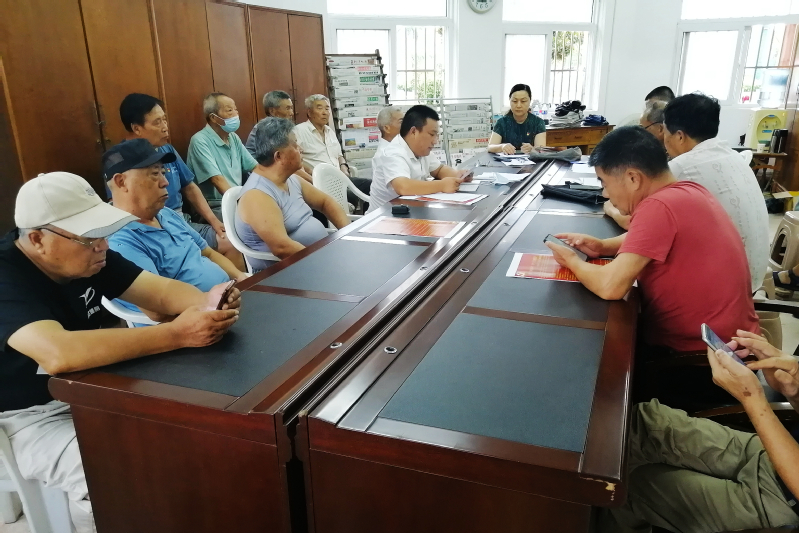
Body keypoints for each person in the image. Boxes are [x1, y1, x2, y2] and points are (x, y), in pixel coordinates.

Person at [0, 172, 240, 532]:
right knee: (115, 474)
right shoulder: (7, 278)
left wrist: (209, 305)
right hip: (25, 417)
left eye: (103, 234)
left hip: (89, 386)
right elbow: (57, 353)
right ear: (37, 239)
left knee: (194, 433)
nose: (103, 246)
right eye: (89, 238)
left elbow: (160, 293)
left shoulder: (87, 254)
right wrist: (177, 334)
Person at [546, 126, 758, 354]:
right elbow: (652, 236)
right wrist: (604, 246)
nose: (605, 194)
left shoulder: (658, 207)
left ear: (633, 178)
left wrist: (572, 261)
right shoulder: (689, 190)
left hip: (703, 356)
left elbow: (610, 286)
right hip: (736, 342)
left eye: (604, 183)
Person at [598, 330, 799, 532]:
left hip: (784, 498)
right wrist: (795, 393)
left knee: (626, 490)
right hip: (777, 450)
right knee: (643, 422)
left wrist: (752, 398)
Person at [106, 139, 248, 324]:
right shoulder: (120, 241)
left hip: (224, 305)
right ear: (121, 182)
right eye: (154, 174)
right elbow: (158, 310)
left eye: (163, 173)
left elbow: (208, 253)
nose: (165, 182)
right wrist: (213, 303)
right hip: (196, 324)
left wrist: (241, 278)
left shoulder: (166, 214)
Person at [117, 93, 241, 266]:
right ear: (137, 128)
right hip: (151, 230)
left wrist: (214, 221)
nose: (165, 127)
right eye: (157, 122)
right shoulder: (119, 160)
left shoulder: (166, 149)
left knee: (230, 241)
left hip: (182, 222)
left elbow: (189, 187)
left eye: (164, 120)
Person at [663, 93, 768, 292]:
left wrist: (611, 208)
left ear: (679, 136)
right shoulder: (733, 155)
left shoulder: (682, 167)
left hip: (728, 286)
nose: (664, 141)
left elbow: (638, 220)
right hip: (756, 274)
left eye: (665, 133)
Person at [236, 117, 350, 270]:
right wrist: (324, 261)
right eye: (295, 145)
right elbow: (282, 248)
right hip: (283, 273)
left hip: (312, 259)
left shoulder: (290, 179)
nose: (300, 149)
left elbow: (326, 203)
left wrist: (349, 236)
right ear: (279, 156)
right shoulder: (257, 196)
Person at [368, 105, 472, 213]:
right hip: (384, 215)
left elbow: (439, 169)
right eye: (431, 134)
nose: (435, 141)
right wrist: (442, 185)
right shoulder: (392, 152)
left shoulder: (421, 149)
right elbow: (403, 187)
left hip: (411, 209)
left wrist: (457, 175)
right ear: (414, 131)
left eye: (436, 135)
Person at [294, 94, 371, 203]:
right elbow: (295, 161)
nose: (325, 112)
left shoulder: (330, 131)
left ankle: (368, 214)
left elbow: (339, 156)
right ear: (309, 112)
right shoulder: (298, 131)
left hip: (340, 178)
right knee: (351, 196)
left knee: (370, 186)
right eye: (320, 108)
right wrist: (311, 173)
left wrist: (344, 167)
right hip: (320, 182)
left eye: (327, 108)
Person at [187, 92, 258, 208]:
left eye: (236, 109)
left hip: (237, 200)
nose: (236, 114)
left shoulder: (233, 137)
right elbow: (217, 180)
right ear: (213, 118)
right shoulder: (199, 141)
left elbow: (255, 167)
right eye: (230, 110)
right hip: (217, 205)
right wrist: (243, 205)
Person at [245, 90, 315, 185]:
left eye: (291, 108)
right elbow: (286, 164)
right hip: (263, 179)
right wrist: (314, 181)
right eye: (287, 108)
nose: (292, 113)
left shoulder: (281, 128)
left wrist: (312, 172)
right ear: (272, 111)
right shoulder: (268, 129)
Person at [488, 84, 546, 154]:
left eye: (523, 101)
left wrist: (532, 149)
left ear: (529, 101)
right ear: (510, 101)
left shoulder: (538, 122)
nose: (518, 105)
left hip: (530, 160)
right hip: (506, 160)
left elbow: (541, 150)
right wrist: (502, 147)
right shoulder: (502, 122)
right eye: (514, 101)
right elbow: (490, 147)